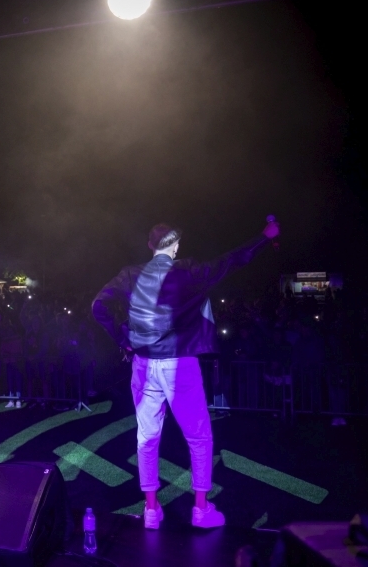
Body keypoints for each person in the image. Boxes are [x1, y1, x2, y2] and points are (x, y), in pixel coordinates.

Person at [91, 219, 280, 529]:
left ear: (150, 246)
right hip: (180, 364)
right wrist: (264, 236)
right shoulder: (190, 271)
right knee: (199, 437)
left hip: (144, 364)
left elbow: (98, 306)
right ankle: (201, 510)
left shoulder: (130, 274)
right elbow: (234, 259)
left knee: (147, 438)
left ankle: (151, 510)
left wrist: (121, 339)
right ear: (175, 246)